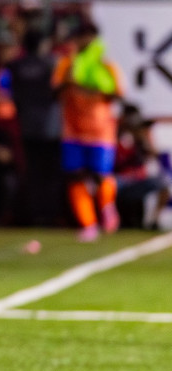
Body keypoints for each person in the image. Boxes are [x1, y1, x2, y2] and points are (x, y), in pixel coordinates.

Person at [53, 21, 123, 241]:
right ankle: (88, 223)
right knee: (76, 176)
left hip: (100, 131)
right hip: (73, 131)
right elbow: (55, 93)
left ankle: (107, 208)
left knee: (102, 176)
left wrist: (96, 84)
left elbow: (118, 94)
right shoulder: (67, 64)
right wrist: (72, 74)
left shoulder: (106, 65)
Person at [6, 28, 63, 226]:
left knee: (32, 172)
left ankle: (33, 214)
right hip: (51, 126)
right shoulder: (51, 63)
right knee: (50, 173)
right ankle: (49, 214)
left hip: (27, 125)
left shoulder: (15, 66)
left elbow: (12, 94)